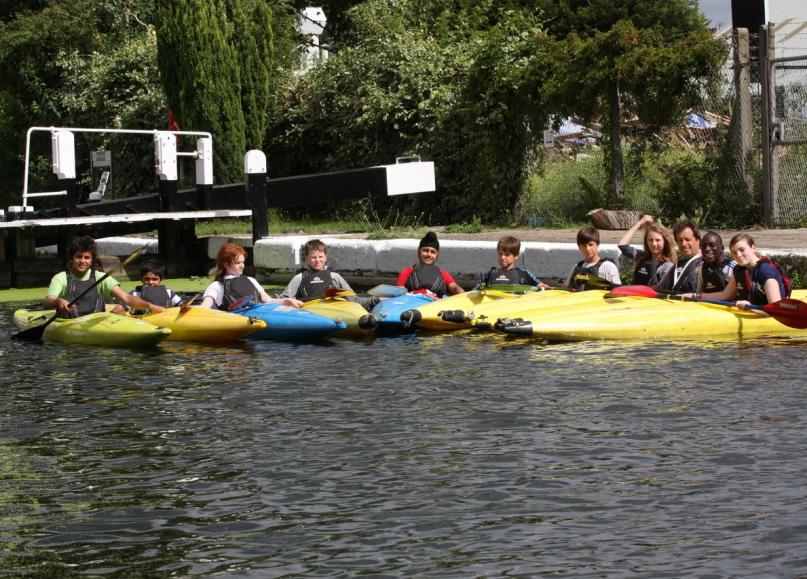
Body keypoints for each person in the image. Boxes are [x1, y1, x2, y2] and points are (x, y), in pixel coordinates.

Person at [44, 235, 165, 317]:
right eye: (78, 256)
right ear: (71, 259)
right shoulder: (61, 278)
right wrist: (58, 301)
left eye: (87, 257)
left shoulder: (101, 277)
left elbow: (126, 298)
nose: (82, 261)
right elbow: (48, 302)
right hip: (69, 322)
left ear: (92, 260)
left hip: (96, 322)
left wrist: (150, 306)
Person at [691, 233, 787, 310]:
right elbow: (724, 295)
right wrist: (694, 296)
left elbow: (776, 310)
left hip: (767, 315)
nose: (738, 255)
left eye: (742, 250)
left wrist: (751, 308)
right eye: (734, 252)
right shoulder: (739, 270)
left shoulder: (765, 271)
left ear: (753, 248)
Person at [200, 242, 302, 310]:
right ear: (226, 264)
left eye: (243, 262)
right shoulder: (217, 286)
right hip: (238, 318)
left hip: (259, 313)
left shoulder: (251, 280)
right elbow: (205, 307)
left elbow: (268, 300)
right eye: (238, 263)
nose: (242, 266)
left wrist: (286, 301)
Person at [396, 231, 465, 296]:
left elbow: (454, 288)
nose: (429, 254)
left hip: (436, 305)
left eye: (433, 252)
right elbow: (399, 291)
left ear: (437, 255)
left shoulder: (443, 274)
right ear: (418, 251)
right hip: (412, 304)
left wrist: (463, 295)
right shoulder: (407, 272)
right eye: (425, 250)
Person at [282, 239, 353, 300]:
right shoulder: (299, 278)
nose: (317, 260)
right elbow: (284, 298)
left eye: (320, 257)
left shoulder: (335, 277)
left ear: (325, 258)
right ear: (306, 259)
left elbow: (351, 296)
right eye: (313, 257)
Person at [617, 215, 677, 286]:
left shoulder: (667, 266)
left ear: (665, 241)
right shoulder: (641, 256)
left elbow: (662, 290)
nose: (654, 244)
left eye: (658, 240)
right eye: (650, 240)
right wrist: (639, 223)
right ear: (646, 242)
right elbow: (622, 245)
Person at [480, 236, 549, 289]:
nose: (502, 257)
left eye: (507, 254)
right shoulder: (490, 274)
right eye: (500, 254)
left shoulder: (524, 274)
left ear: (516, 256)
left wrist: (548, 289)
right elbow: (474, 291)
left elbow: (541, 285)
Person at [655, 219, 703, 293]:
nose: (683, 244)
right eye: (680, 240)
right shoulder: (676, 266)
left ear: (698, 240)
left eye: (687, 239)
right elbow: (658, 289)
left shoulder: (705, 265)